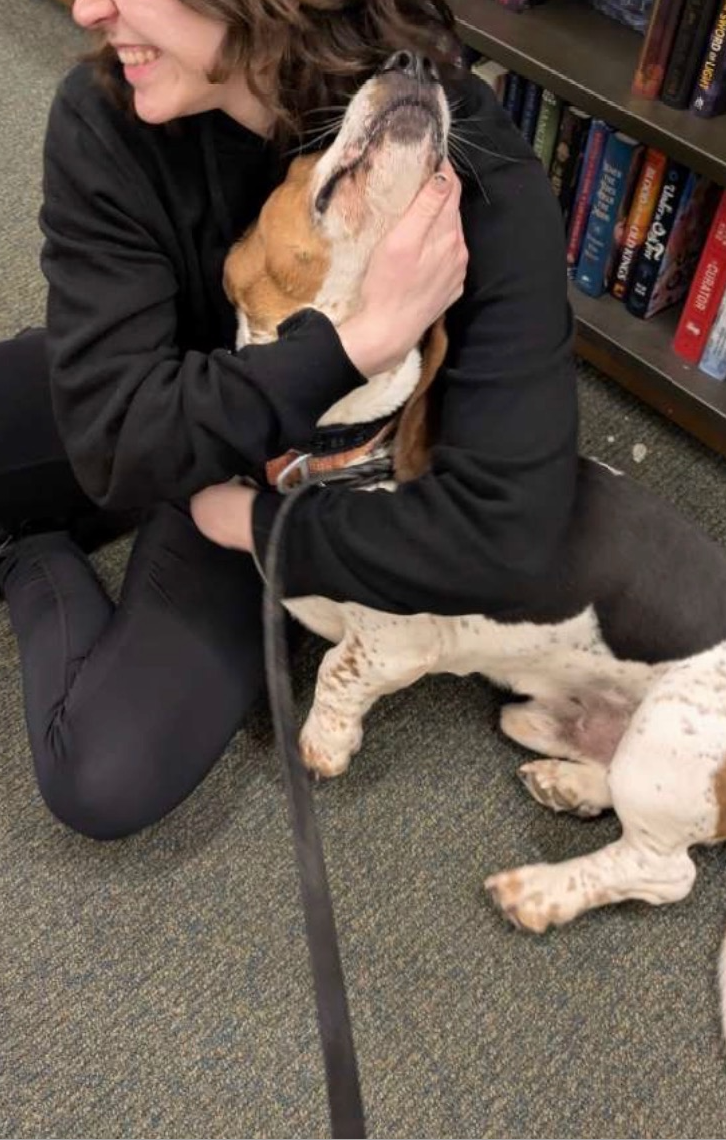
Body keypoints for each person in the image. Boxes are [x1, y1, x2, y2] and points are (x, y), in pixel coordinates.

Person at [0, 0, 579, 841]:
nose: (87, 8)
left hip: (307, 480)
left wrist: (263, 524)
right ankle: (108, 500)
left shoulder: (460, 159)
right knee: (116, 444)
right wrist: (357, 341)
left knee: (102, 775)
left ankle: (34, 554)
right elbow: (118, 437)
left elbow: (508, 537)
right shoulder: (105, 114)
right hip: (160, 391)